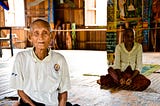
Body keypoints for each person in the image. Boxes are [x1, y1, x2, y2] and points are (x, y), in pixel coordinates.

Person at [10, 19, 71, 106]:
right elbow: (20, 91)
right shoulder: (21, 58)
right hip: (29, 103)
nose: (41, 37)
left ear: (51, 36)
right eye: (36, 33)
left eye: (45, 33)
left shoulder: (59, 59)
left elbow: (63, 93)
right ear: (30, 37)